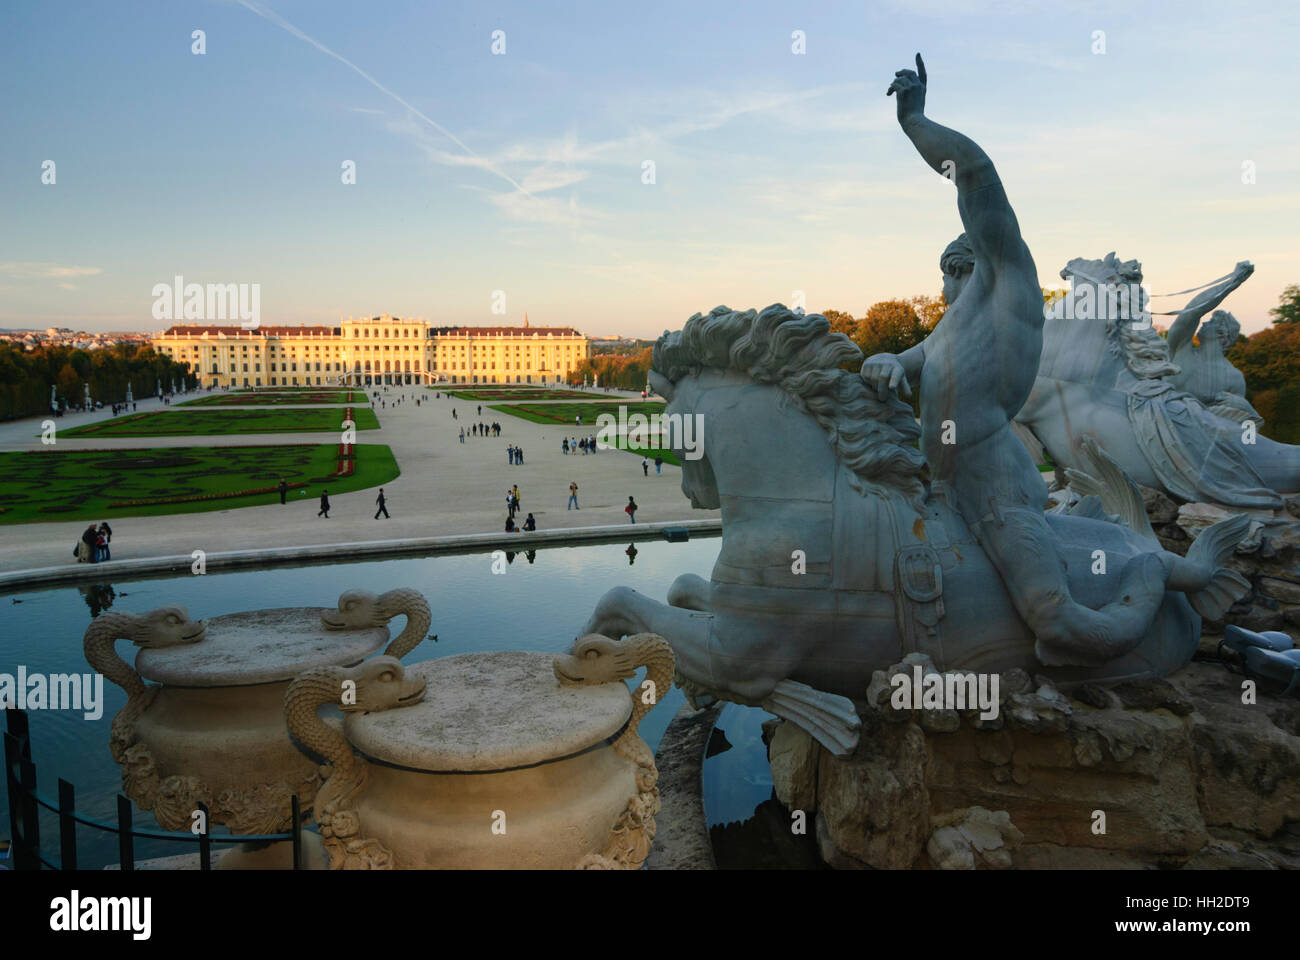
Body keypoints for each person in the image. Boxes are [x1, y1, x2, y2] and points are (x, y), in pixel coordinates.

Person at [859, 53, 1166, 664]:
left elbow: (975, 174)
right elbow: (911, 357)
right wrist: (888, 362)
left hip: (994, 485)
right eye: (947, 274)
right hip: (939, 485)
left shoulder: (1008, 284)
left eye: (954, 270)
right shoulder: (952, 327)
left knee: (1053, 619)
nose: (946, 286)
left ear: (976, 258)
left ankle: (1139, 595)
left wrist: (915, 121)